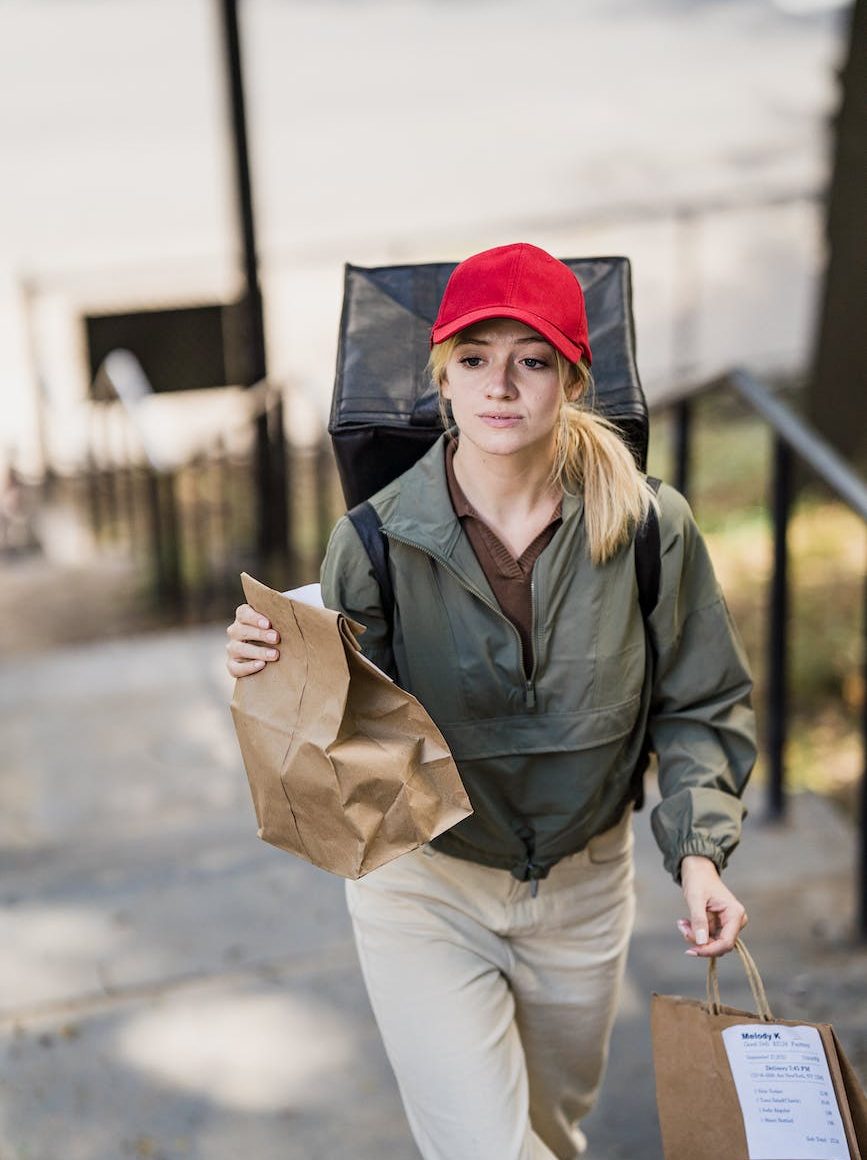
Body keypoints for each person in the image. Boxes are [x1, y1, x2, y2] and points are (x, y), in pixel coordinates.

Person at [226, 242, 756, 1160]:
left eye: (531, 359)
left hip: (585, 888)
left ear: (572, 379)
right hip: (426, 889)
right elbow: (334, 730)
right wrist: (267, 662)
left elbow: (699, 700)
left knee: (552, 1136)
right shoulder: (374, 541)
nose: (499, 385)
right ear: (441, 377)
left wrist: (700, 853)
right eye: (473, 359)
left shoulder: (647, 528)